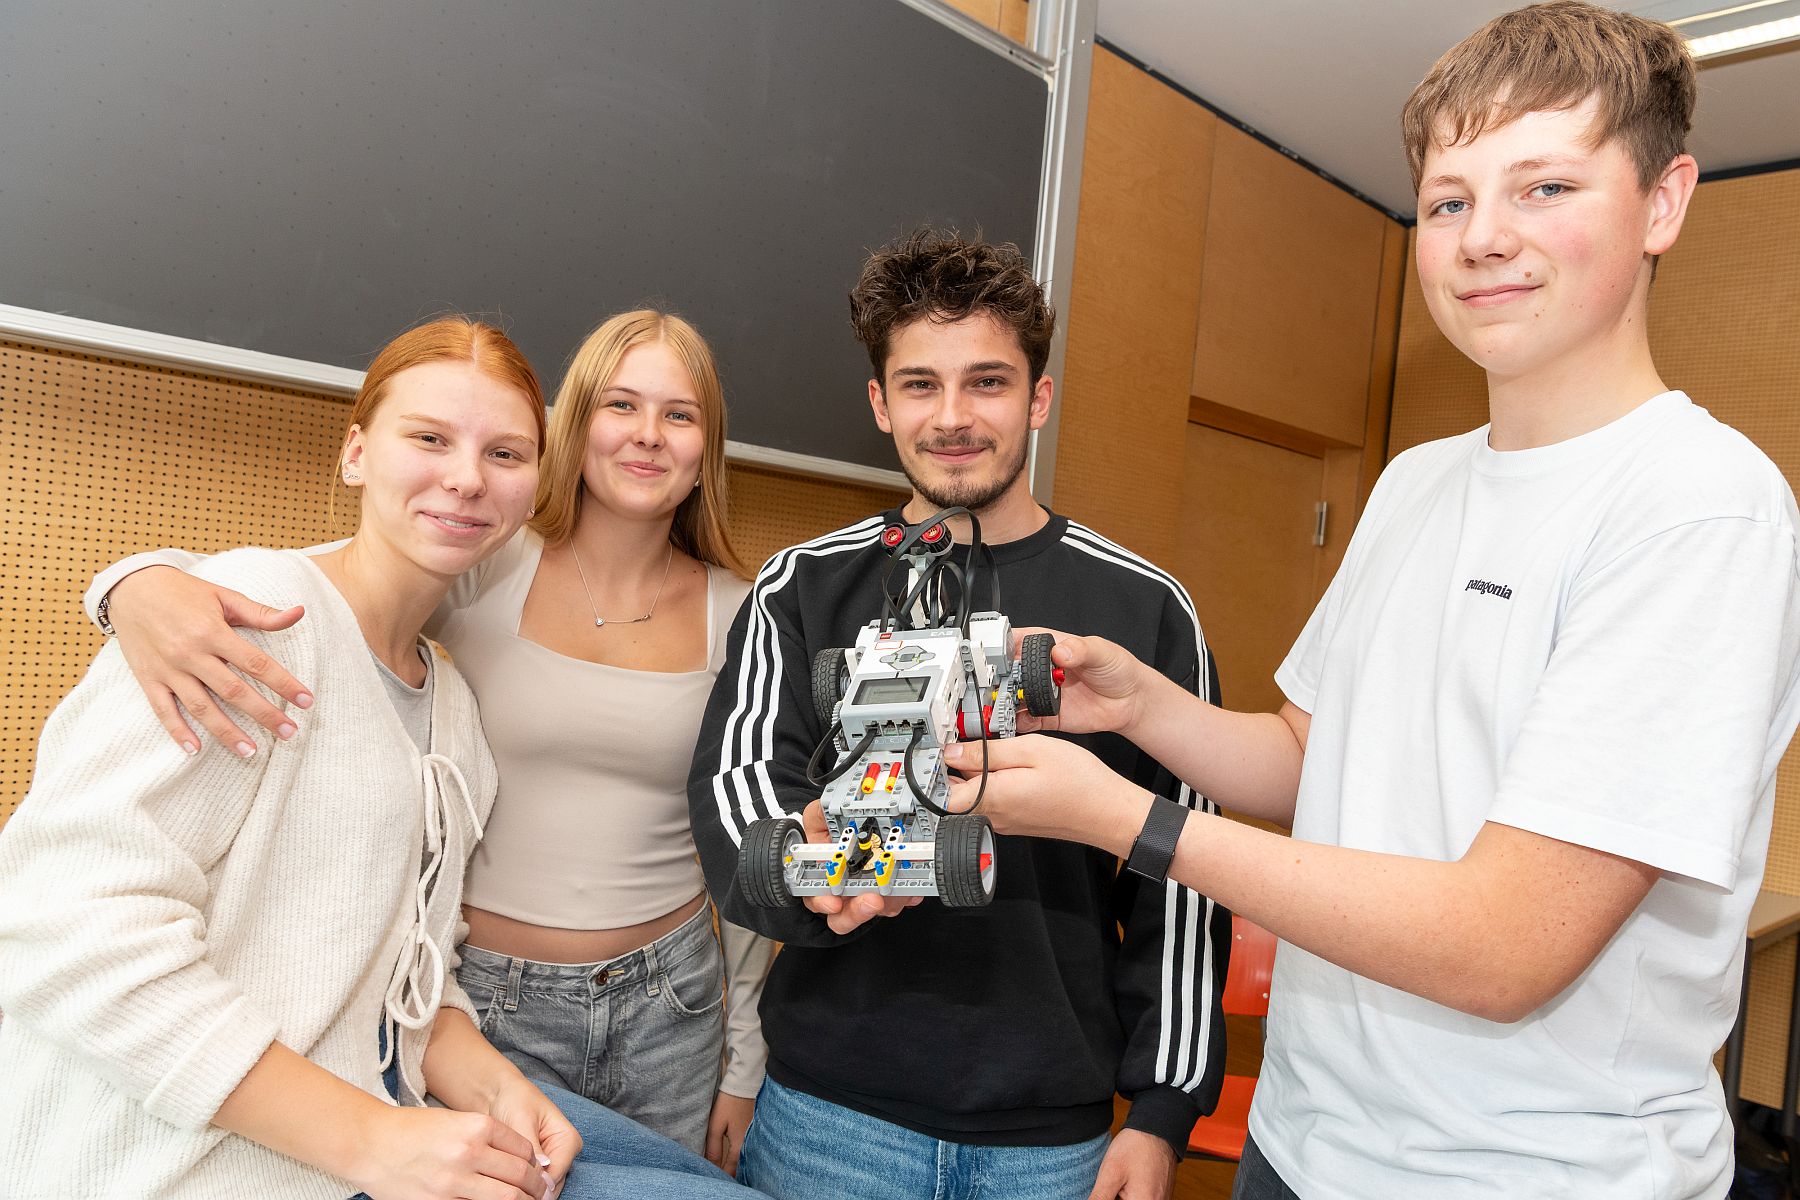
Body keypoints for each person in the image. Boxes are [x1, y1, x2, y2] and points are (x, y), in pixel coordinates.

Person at [935, 6, 1800, 1198]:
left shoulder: (1697, 507)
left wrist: (1129, 823)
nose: (1483, 237)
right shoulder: (1415, 483)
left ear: (1663, 202)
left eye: (1545, 187)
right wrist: (1139, 707)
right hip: (1305, 1141)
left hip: (1529, 1177)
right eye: (1448, 201)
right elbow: (1309, 761)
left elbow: (1506, 947)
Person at [0, 317, 760, 1199]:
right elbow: (59, 928)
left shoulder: (452, 709)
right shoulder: (245, 631)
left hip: (455, 1076)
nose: (466, 478)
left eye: (503, 454)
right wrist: (135, 583)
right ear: (356, 452)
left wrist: (487, 1085)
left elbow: (405, 965)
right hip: (192, 1161)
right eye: (430, 439)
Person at [687, 230, 1229, 1200]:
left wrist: (1162, 1111)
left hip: (1046, 1137)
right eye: (920, 385)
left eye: (987, 382)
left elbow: (1184, 877)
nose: (952, 416)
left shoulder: (1143, 609)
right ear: (880, 403)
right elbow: (737, 792)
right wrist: (811, 876)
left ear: (1038, 398)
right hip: (829, 1116)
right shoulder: (804, 587)